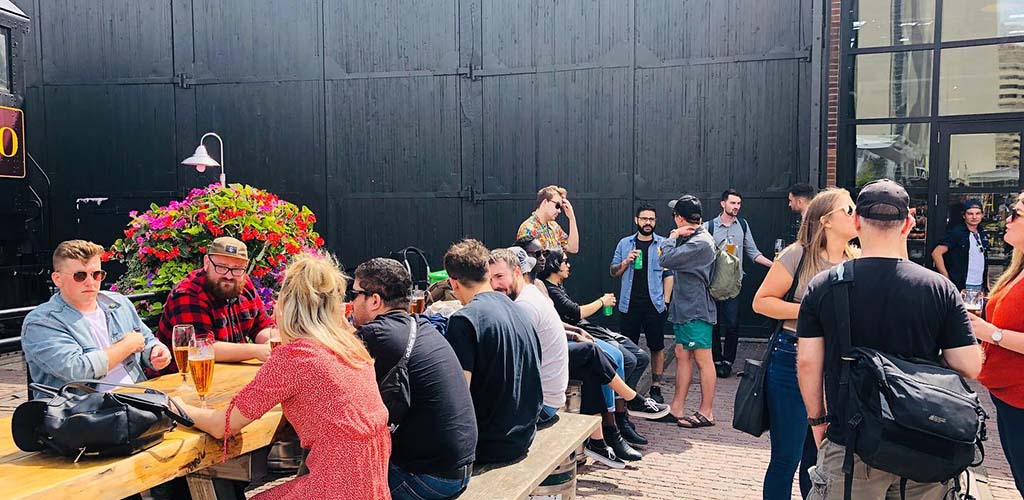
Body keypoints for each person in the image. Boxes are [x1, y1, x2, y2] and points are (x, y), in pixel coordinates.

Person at [796, 179, 983, 500]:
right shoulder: (939, 288)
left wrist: (818, 422)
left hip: (852, 442)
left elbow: (808, 363)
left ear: (856, 222)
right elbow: (969, 366)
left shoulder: (825, 285)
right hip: (924, 442)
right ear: (908, 224)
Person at [177, 253, 391, 500]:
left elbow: (222, 426)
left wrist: (178, 407)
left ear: (287, 303)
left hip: (335, 490)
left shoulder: (295, 357)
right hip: (373, 489)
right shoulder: (351, 347)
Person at [491, 248, 666, 466]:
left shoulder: (525, 302)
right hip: (550, 392)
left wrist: (575, 332)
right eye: (490, 278)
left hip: (543, 402)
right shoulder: (530, 294)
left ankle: (610, 429)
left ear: (517, 271)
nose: (495, 284)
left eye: (499, 276)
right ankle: (612, 426)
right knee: (591, 356)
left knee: (598, 358)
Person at [752, 189, 859, 500]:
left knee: (820, 458)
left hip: (838, 364)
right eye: (848, 209)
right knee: (788, 456)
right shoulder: (796, 254)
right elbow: (761, 302)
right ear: (826, 221)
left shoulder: (857, 260)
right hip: (792, 357)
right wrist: (813, 310)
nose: (855, 214)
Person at [350, 258, 477, 500]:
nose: (351, 301)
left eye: (355, 294)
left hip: (430, 479)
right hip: (459, 469)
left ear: (374, 300)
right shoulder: (421, 326)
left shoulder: (375, 334)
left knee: (336, 482)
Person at [22, 240, 171, 396]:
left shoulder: (118, 303)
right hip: (84, 411)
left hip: (138, 398)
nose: (90, 282)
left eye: (96, 274)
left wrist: (156, 352)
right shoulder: (41, 322)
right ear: (57, 279)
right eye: (80, 276)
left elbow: (146, 340)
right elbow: (77, 370)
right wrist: (127, 345)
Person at [443, 239, 544, 464]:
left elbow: (458, 399)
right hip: (524, 434)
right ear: (488, 273)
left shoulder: (464, 320)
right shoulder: (518, 309)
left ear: (453, 283)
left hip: (490, 444)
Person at [537, 253, 664, 421]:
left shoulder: (556, 286)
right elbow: (575, 312)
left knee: (640, 357)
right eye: (565, 262)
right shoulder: (545, 288)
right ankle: (617, 416)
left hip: (586, 330)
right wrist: (601, 302)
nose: (569, 265)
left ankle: (625, 406)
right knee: (618, 358)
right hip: (574, 337)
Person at [967, 192, 1024, 495]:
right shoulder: (1017, 268)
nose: (1008, 219)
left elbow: (998, 331)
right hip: (1006, 395)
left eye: (1017, 213)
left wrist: (992, 333)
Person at [158, 237, 277, 366]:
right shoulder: (188, 293)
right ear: (207, 263)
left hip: (230, 373)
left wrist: (274, 340)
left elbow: (261, 328)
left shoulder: (243, 283)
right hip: (182, 377)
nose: (229, 276)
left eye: (237, 269)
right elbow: (200, 348)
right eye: (221, 267)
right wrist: (255, 351)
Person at [659, 195, 718, 428]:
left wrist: (672, 237)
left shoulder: (700, 242)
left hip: (696, 309)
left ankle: (707, 412)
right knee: (682, 354)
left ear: (680, 218)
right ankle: (677, 408)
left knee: (704, 358)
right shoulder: (691, 238)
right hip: (684, 308)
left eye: (675, 215)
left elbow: (665, 258)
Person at [703, 189, 773, 378]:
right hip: (713, 284)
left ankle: (728, 361)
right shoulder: (708, 227)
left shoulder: (742, 225)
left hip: (734, 285)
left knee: (733, 324)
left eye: (738, 204)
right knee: (714, 324)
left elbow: (753, 252)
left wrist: (775, 265)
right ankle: (716, 360)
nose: (736, 207)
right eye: (733, 203)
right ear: (723, 203)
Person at [610, 203, 672, 404]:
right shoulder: (625, 244)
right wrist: (626, 261)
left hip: (654, 305)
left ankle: (656, 385)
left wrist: (666, 300)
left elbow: (669, 274)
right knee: (628, 347)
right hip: (630, 305)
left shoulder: (662, 244)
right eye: (644, 219)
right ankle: (628, 387)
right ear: (636, 220)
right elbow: (613, 271)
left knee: (657, 346)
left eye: (651, 219)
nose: (648, 223)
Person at [932, 199, 990, 292]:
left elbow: (983, 260)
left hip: (979, 284)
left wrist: (987, 285)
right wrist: (947, 279)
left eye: (978, 213)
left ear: (982, 215)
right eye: (970, 214)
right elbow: (936, 253)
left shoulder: (982, 234)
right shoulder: (957, 233)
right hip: (961, 285)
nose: (974, 217)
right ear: (964, 216)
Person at [516, 185, 580, 253]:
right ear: (545, 202)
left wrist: (571, 217)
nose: (559, 211)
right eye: (557, 206)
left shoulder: (554, 226)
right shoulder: (528, 229)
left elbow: (573, 248)